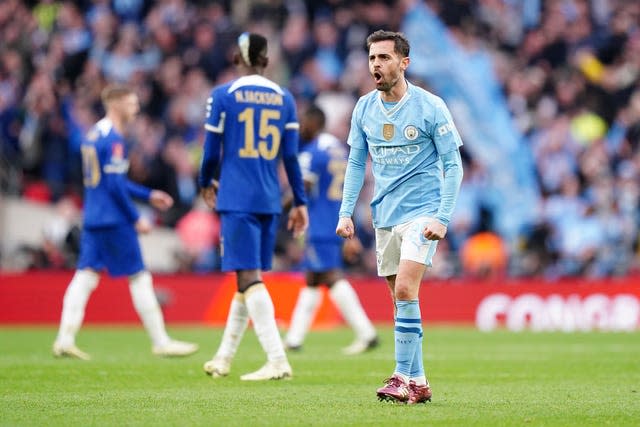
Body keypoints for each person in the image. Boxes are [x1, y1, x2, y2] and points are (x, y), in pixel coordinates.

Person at [335, 30, 464, 404]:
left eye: (384, 58)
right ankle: (420, 382)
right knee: (400, 301)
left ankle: (400, 376)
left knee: (407, 289)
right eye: (372, 58)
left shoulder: (430, 106)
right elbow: (357, 163)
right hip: (384, 215)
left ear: (403, 63)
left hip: (422, 213)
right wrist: (346, 213)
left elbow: (452, 166)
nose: (376, 64)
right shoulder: (364, 108)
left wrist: (442, 217)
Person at [52, 84, 199, 360]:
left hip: (94, 216)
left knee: (85, 277)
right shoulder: (115, 139)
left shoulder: (94, 134)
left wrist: (148, 194)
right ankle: (161, 341)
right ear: (116, 103)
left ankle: (64, 338)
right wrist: (135, 218)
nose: (136, 108)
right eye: (132, 104)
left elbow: (112, 181)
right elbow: (115, 186)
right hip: (114, 219)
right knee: (139, 276)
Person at [199, 32, 308, 381]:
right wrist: (300, 201)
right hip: (268, 198)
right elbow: (290, 157)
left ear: (237, 58)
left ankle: (277, 360)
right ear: (266, 59)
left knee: (248, 279)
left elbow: (210, 151)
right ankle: (224, 358)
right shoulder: (285, 97)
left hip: (236, 197)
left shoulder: (222, 96)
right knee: (249, 279)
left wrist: (206, 181)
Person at [284, 105, 378, 355]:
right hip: (336, 218)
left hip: (320, 223)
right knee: (313, 280)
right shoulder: (337, 148)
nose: (300, 127)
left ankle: (366, 333)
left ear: (315, 122)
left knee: (331, 276)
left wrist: (274, 206)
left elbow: (301, 187)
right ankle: (294, 339)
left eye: (304, 121)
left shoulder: (313, 151)